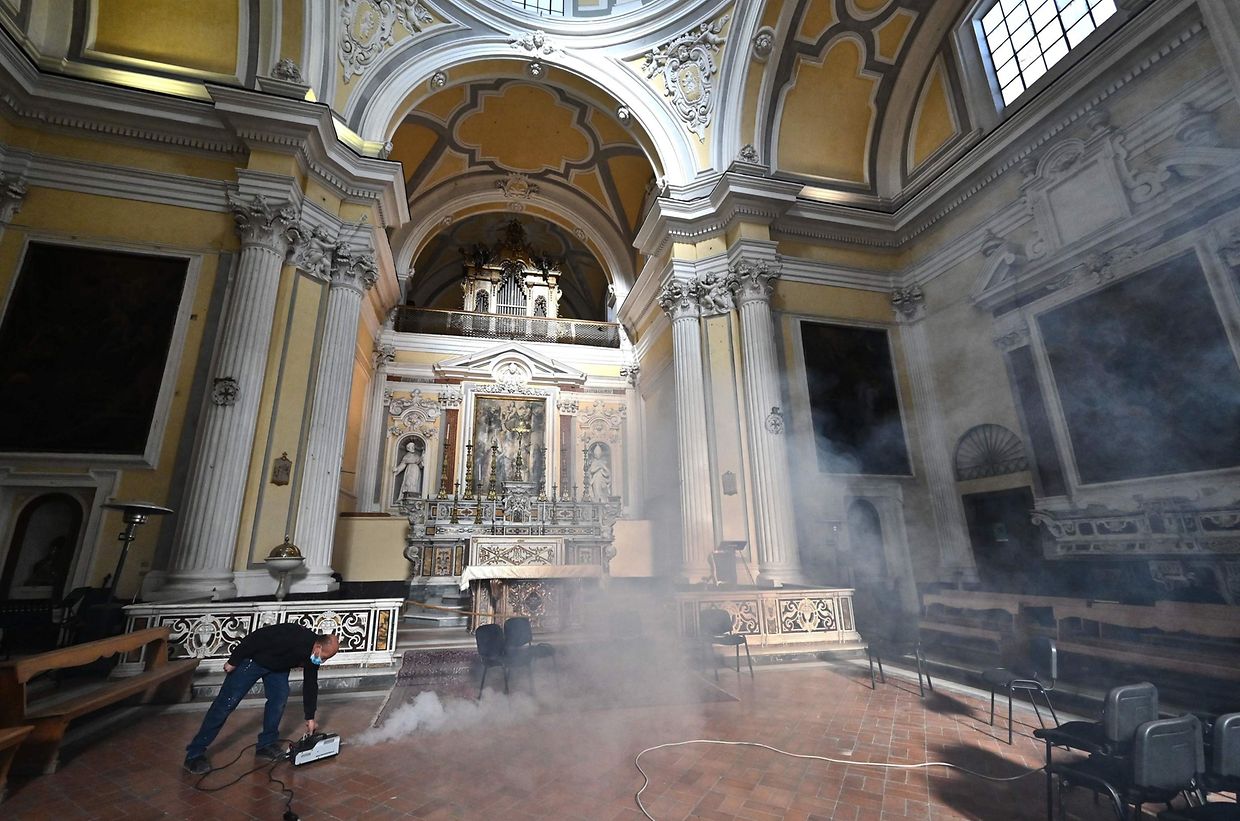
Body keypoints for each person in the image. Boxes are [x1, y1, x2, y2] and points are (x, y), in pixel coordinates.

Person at [183, 623, 340, 774]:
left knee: (279, 700)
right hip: (254, 662)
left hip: (277, 668)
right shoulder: (293, 635)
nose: (322, 660)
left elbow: (310, 683)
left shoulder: (313, 656)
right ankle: (194, 753)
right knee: (226, 703)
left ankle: (266, 744)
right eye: (323, 657)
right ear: (318, 647)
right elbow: (256, 638)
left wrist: (310, 717)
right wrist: (234, 660)